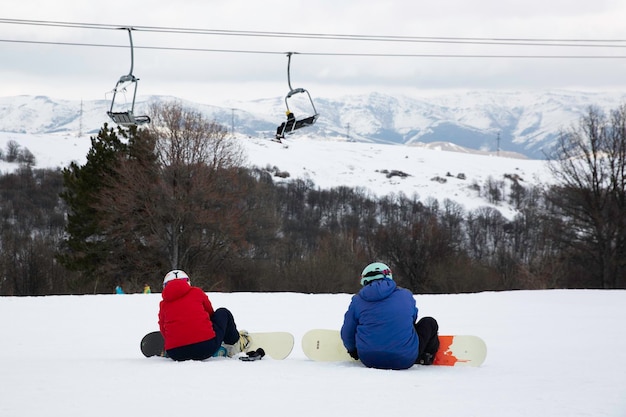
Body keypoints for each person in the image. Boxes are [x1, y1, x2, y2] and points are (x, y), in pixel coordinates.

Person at [340, 262, 440, 370]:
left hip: (368, 358)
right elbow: (411, 320)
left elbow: (347, 332)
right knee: (429, 322)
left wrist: (353, 350)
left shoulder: (357, 300)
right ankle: (426, 356)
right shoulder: (405, 295)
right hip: (405, 358)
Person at [158, 269, 249, 361]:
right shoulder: (197, 292)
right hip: (206, 348)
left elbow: (162, 328)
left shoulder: (164, 304)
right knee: (223, 312)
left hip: (175, 353)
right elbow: (210, 314)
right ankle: (235, 344)